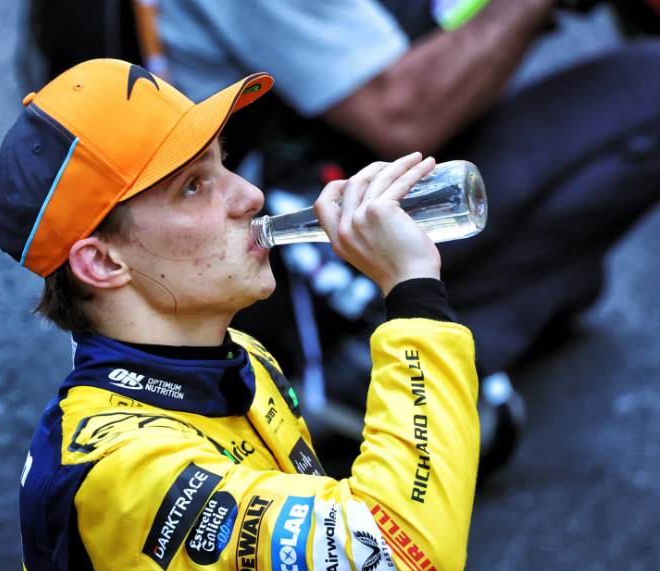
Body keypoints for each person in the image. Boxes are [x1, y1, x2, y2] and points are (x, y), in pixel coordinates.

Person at [0, 58, 480, 571]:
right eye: (194, 185)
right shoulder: (119, 474)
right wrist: (412, 298)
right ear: (102, 260)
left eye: (222, 165)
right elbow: (405, 546)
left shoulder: (238, 360)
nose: (248, 195)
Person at [157, 0, 660, 381]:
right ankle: (381, 360)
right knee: (648, 88)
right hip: (303, 240)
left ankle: (473, 320)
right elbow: (402, 113)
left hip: (366, 165)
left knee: (571, 275)